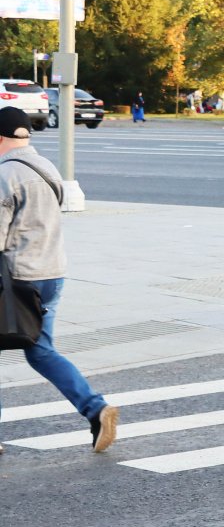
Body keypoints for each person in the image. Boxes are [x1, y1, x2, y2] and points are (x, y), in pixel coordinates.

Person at [0, 108, 119, 455]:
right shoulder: (47, 167)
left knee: (38, 351)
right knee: (40, 351)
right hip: (51, 274)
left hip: (16, 280)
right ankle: (96, 409)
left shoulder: (5, 174)